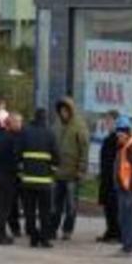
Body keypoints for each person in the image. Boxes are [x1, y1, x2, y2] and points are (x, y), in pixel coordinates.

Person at [17, 109, 59, 248]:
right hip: (45, 181)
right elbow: (56, 156)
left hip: (28, 180)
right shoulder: (50, 133)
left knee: (29, 211)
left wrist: (22, 168)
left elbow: (17, 153)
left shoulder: (25, 132)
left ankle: (33, 238)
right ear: (45, 118)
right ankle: (44, 239)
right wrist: (52, 171)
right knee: (44, 212)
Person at [51, 97, 89, 241]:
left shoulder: (79, 126)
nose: (63, 113)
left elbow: (84, 149)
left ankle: (67, 230)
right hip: (58, 172)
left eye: (66, 110)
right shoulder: (56, 126)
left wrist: (81, 170)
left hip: (73, 173)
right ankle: (52, 229)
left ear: (71, 111)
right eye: (61, 111)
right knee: (55, 205)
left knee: (71, 206)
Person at [0, 112, 22, 245]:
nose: (19, 125)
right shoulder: (12, 139)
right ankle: (0, 236)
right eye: (17, 122)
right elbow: (16, 157)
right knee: (4, 208)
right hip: (7, 176)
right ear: (9, 124)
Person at [114, 116, 132, 257]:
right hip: (124, 188)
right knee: (123, 218)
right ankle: (127, 245)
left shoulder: (130, 146)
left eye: (119, 135)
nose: (117, 138)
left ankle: (128, 247)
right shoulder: (124, 146)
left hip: (128, 190)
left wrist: (131, 186)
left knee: (127, 218)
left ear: (125, 133)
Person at [96, 110, 121, 243]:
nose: (107, 123)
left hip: (115, 178)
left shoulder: (118, 139)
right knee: (107, 206)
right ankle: (110, 231)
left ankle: (117, 233)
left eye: (109, 121)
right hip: (106, 177)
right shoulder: (108, 139)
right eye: (106, 121)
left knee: (114, 206)